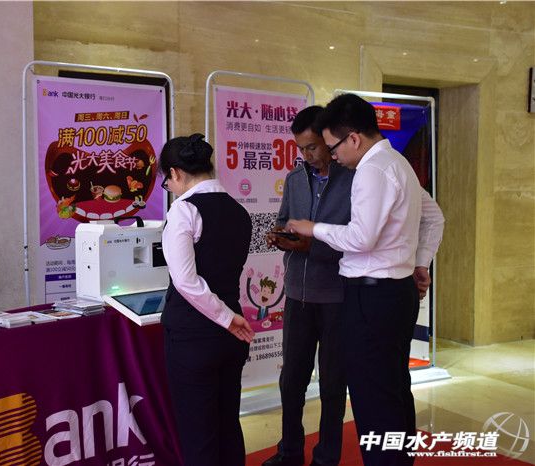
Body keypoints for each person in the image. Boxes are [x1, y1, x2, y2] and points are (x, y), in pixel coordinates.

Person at [286, 94, 444, 466]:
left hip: (370, 297)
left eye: (333, 147)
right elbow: (434, 217)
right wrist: (420, 262)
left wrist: (313, 228)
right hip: (395, 291)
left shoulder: (371, 170)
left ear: (354, 138)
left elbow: (361, 238)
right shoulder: (398, 163)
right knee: (393, 388)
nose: (334, 156)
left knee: (372, 397)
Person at [261, 106, 354, 466]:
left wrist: (311, 247)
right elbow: (286, 219)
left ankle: (326, 457)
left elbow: (358, 241)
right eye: (300, 148)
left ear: (329, 140)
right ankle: (290, 452)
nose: (306, 155)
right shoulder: (295, 179)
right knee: (292, 381)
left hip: (337, 297)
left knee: (332, 384)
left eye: (312, 147)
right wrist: (279, 235)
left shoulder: (354, 180)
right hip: (297, 295)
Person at [159, 133, 254, 466]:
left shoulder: (183, 211)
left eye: (167, 181)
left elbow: (186, 281)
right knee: (228, 427)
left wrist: (226, 317)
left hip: (193, 338)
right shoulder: (239, 212)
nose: (169, 188)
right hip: (230, 337)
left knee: (198, 435)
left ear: (175, 173)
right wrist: (229, 318)